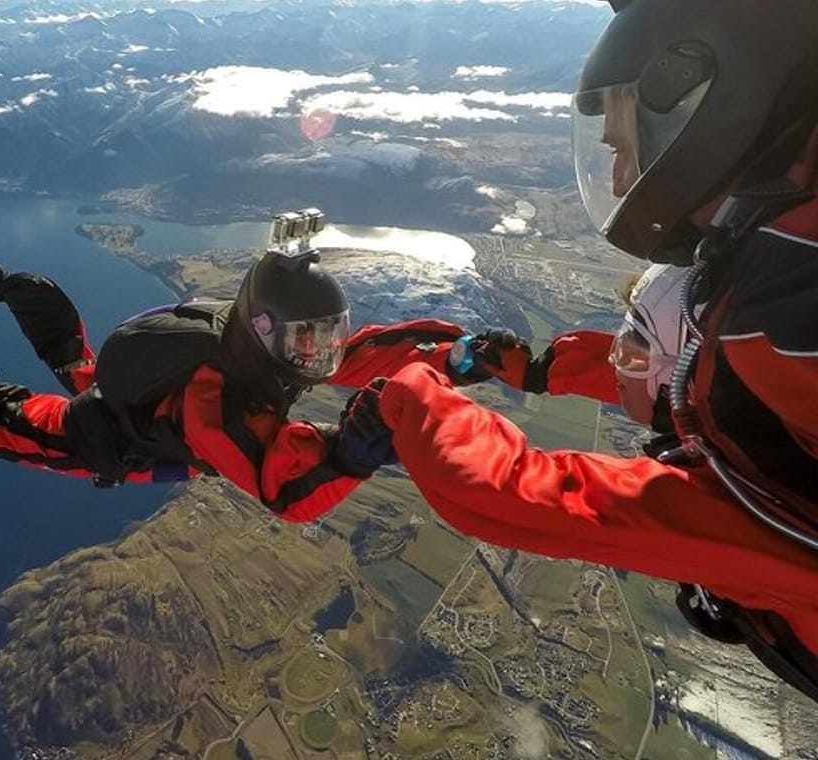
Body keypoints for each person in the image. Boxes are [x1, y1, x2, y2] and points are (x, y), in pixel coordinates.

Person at [346, 0, 818, 699]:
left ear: (704, 97)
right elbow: (675, 382)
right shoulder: (778, 292)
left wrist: (410, 399)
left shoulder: (782, 309)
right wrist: (543, 372)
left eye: (628, 146)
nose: (625, 180)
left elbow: (521, 497)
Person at [0, 238, 470, 523]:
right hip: (120, 436)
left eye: (324, 339)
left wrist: (458, 354)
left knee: (78, 364)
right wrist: (349, 453)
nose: (320, 356)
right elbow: (283, 487)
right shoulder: (215, 408)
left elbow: (361, 352)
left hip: (146, 409)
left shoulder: (253, 343)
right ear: (267, 331)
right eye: (309, 341)